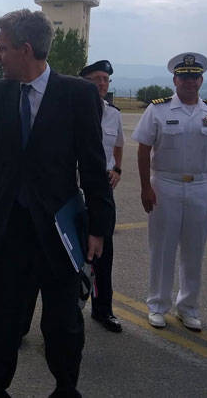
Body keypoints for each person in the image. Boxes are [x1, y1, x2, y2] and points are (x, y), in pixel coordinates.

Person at [0, 9, 112, 397]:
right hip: (10, 230)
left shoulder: (78, 95)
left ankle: (65, 388)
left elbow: (93, 166)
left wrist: (99, 228)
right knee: (2, 322)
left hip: (58, 232)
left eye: (2, 48)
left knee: (62, 324)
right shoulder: (0, 93)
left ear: (25, 49)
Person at [132, 52, 207, 332]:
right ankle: (157, 305)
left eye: (195, 77)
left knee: (194, 250)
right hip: (165, 184)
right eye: (184, 77)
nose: (190, 81)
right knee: (162, 248)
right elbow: (143, 149)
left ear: (201, 80)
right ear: (175, 80)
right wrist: (145, 187)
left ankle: (188, 308)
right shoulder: (158, 110)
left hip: (200, 186)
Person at [79, 60, 123, 333]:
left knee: (103, 253)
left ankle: (103, 309)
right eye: (96, 78)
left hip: (102, 192)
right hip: (74, 189)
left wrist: (117, 169)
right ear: (83, 81)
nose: (102, 84)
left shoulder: (114, 114)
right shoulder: (70, 108)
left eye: (105, 79)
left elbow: (118, 144)